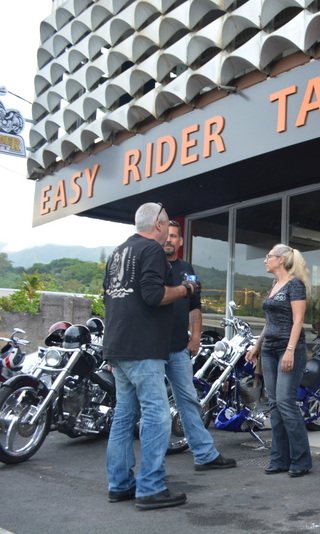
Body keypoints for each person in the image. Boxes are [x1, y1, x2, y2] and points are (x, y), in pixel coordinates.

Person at [103, 202, 200, 510]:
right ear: (158, 225)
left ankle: (119, 485)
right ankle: (150, 487)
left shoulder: (118, 252)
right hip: (143, 348)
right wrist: (185, 289)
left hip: (118, 345)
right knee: (157, 415)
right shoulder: (152, 251)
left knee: (123, 416)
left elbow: (112, 297)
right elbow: (153, 295)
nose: (168, 233)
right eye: (168, 225)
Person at [163, 220, 236, 471]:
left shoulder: (186, 268)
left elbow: (195, 304)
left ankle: (204, 455)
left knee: (188, 399)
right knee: (151, 404)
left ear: (181, 241)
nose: (169, 240)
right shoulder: (153, 265)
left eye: (174, 236)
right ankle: (152, 458)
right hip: (152, 347)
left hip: (178, 348)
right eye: (166, 235)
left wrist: (195, 337)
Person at [245, 244, 313, 477]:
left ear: (281, 259)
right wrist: (257, 345)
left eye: (268, 256)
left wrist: (290, 350)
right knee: (274, 404)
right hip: (270, 350)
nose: (265, 260)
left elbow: (298, 319)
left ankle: (301, 460)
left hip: (288, 348)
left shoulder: (295, 284)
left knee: (285, 402)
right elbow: (269, 321)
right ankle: (279, 459)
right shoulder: (275, 285)